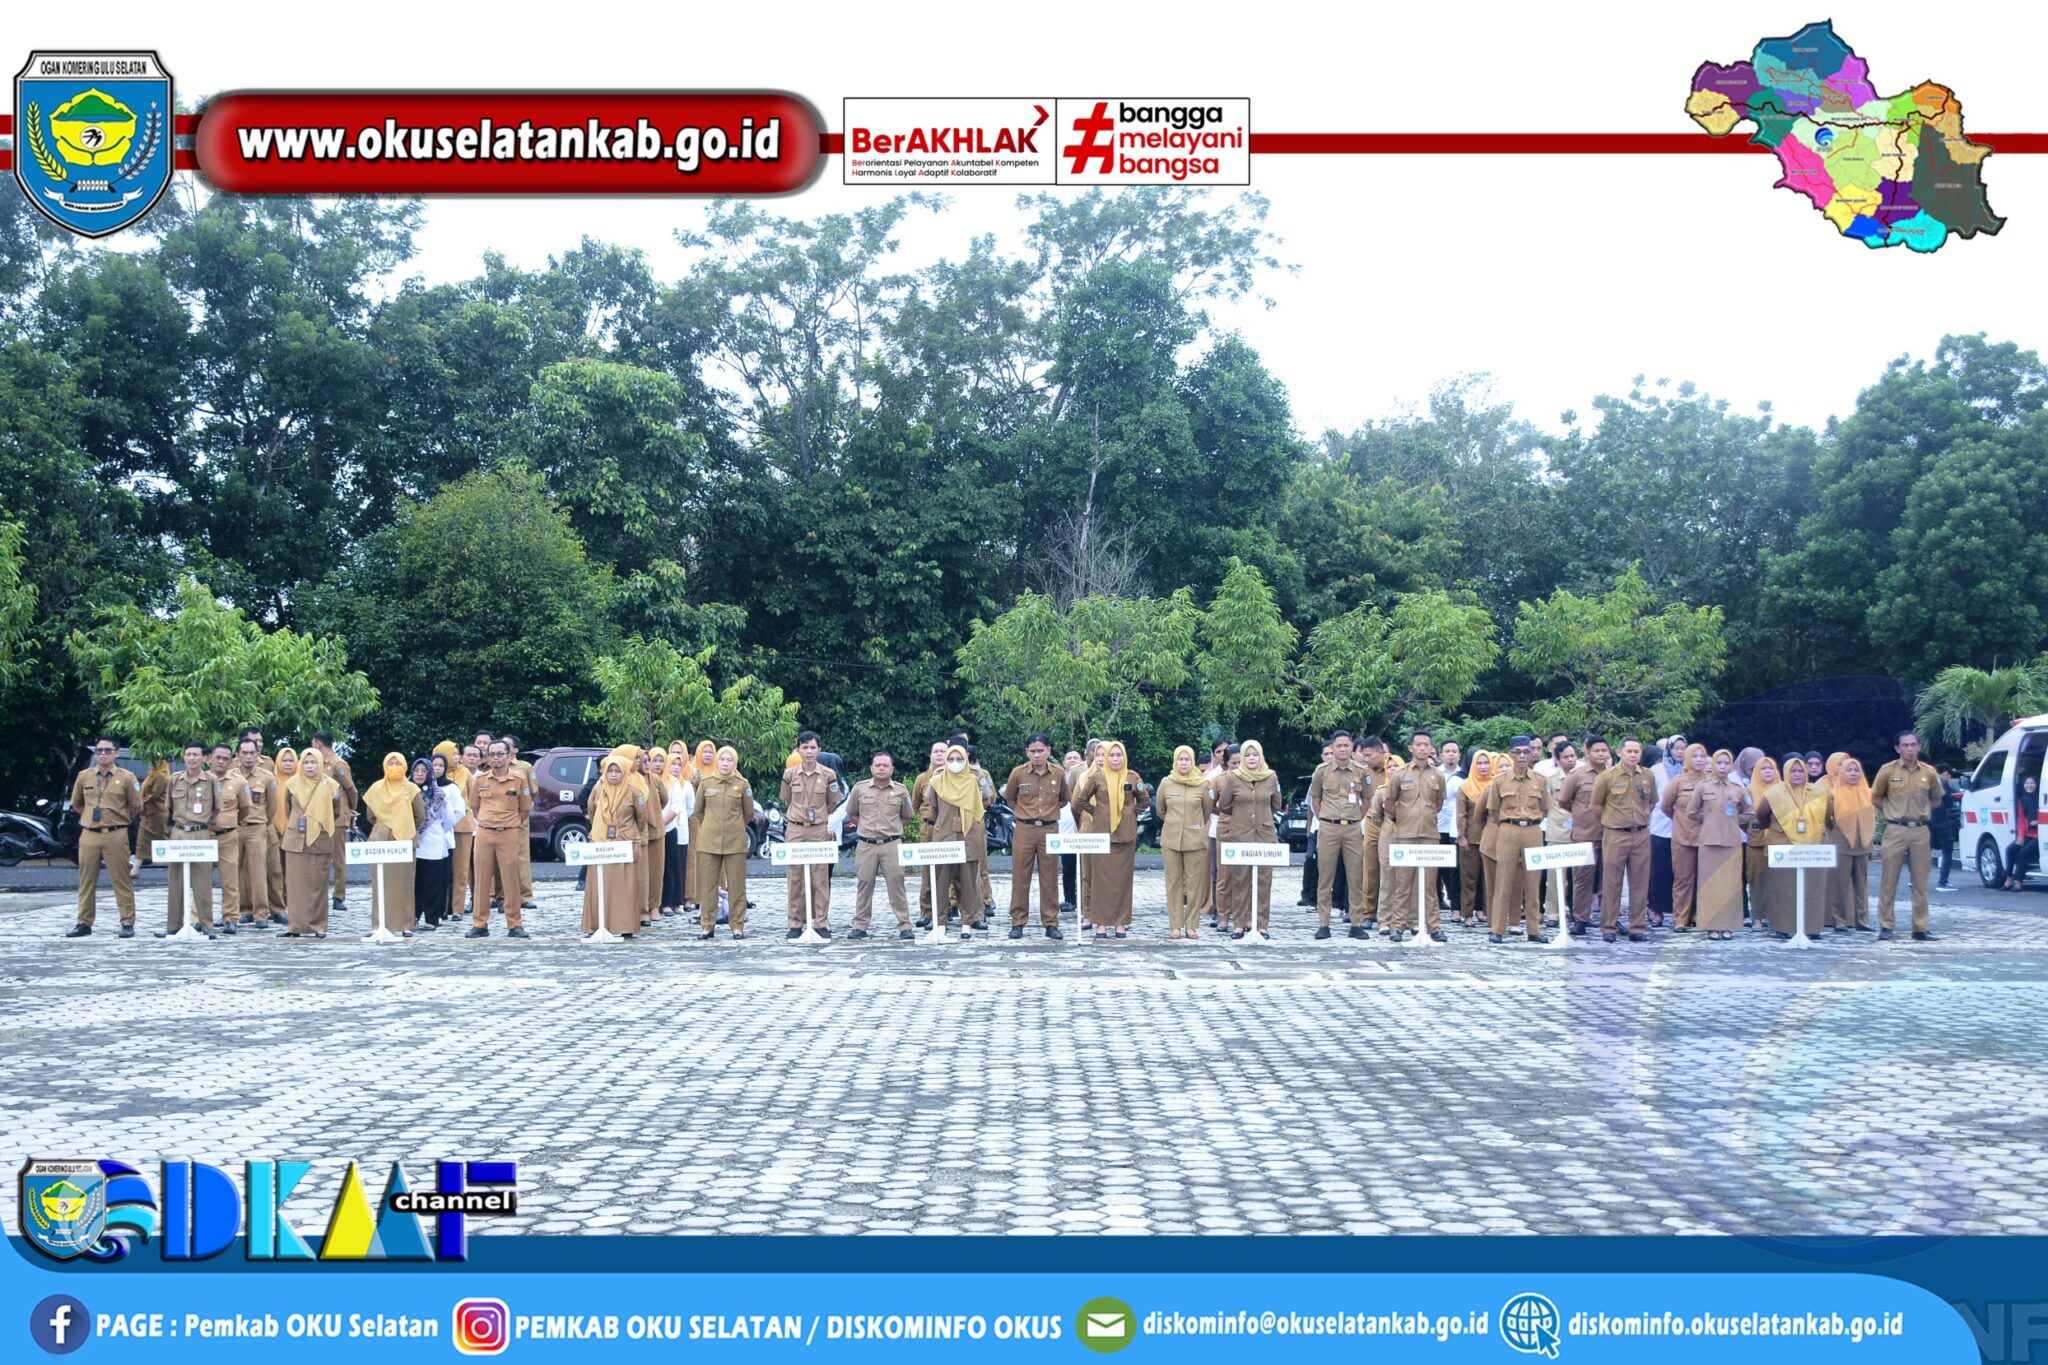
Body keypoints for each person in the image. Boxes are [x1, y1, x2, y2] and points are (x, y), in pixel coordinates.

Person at [64, 737, 144, 938]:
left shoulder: (127, 778)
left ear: (116, 753)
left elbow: (136, 806)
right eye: (99, 750)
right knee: (86, 880)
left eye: (108, 750)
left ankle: (127, 922)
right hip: (90, 833)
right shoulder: (85, 776)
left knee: (121, 879)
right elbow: (77, 805)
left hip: (115, 833)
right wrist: (90, 818)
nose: (103, 754)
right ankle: (84, 922)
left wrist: (117, 817)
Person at [1871, 730, 1945, 941]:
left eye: (1913, 744)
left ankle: (1920, 927)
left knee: (1920, 881)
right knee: (1889, 880)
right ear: (1897, 748)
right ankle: (1886, 926)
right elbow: (1876, 798)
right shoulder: (1887, 770)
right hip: (1895, 829)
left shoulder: (1929, 772)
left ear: (1919, 747)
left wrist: (1922, 811)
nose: (1910, 749)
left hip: (1920, 830)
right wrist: (1892, 813)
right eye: (1905, 745)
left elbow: (1936, 799)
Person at [1071, 739, 1149, 938]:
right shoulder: (1097, 777)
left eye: (1118, 755)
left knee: (1123, 881)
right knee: (1101, 882)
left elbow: (1144, 800)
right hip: (1102, 836)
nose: (1115, 759)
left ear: (1124, 756)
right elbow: (1080, 800)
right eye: (1111, 755)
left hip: (1125, 836)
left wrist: (1130, 813)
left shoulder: (1132, 777)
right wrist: (1097, 813)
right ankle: (1101, 923)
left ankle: (1121, 923)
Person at [1382, 732, 1449, 943]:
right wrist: (1403, 817)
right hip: (1405, 835)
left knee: (1430, 884)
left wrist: (1424, 816)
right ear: (1410, 748)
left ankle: (1434, 927)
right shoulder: (1400, 774)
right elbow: (1389, 802)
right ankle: (1397, 927)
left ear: (1431, 748)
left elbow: (1438, 804)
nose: (1422, 748)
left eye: (1426, 744)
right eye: (1418, 744)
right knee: (1403, 884)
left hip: (1429, 835)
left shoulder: (1438, 775)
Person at [158, 742, 230, 939]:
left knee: (202, 882)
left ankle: (207, 926)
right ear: (184, 756)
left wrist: (203, 823)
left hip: (200, 833)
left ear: (204, 758)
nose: (191, 758)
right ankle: (173, 926)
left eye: (196, 755)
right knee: (175, 882)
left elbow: (217, 809)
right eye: (188, 754)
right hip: (179, 832)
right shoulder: (175, 779)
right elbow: (168, 808)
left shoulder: (211, 780)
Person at [1215, 739, 1285, 938]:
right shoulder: (1234, 777)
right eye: (1247, 755)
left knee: (1263, 880)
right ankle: (1239, 924)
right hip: (1240, 835)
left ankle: (1261, 924)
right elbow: (1224, 805)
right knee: (1240, 880)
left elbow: (1276, 804)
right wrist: (1241, 816)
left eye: (1255, 755)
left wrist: (1262, 817)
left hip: (1264, 834)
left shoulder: (1270, 777)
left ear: (1261, 756)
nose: (1252, 758)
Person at [1484, 737, 1552, 943]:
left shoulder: (1541, 780)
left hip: (1533, 830)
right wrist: (1510, 823)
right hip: (1508, 829)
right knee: (1503, 880)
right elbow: (1493, 811)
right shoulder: (1500, 781)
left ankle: (1534, 929)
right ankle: (1498, 929)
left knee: (1533, 882)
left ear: (1532, 754)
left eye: (1526, 751)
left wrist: (1530, 821)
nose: (1522, 756)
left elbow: (1545, 809)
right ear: (1511, 754)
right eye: (1517, 752)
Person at [1592, 738, 1658, 942]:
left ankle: (1637, 927)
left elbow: (1652, 802)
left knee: (1640, 882)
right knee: (1612, 882)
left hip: (1640, 834)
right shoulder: (1606, 777)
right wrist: (1613, 820)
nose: (1633, 755)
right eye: (1629, 751)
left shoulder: (1647, 776)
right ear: (1619, 752)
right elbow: (1596, 806)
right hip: (1615, 834)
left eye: (1636, 751)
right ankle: (1609, 927)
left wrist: (1640, 818)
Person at [845, 752, 916, 940]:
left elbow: (907, 816)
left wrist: (892, 829)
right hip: (866, 844)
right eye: (878, 765)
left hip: (891, 844)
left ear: (892, 769)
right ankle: (860, 926)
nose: (881, 768)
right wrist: (865, 828)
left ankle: (905, 926)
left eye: (885, 765)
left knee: (897, 884)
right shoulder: (859, 788)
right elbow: (852, 813)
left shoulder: (901, 791)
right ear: (871, 768)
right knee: (864, 884)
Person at [466, 740, 533, 939]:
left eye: (500, 754)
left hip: (509, 832)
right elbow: (475, 807)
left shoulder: (519, 779)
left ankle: (515, 924)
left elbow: (525, 809)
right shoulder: (480, 779)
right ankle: (479, 924)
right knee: (481, 879)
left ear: (508, 755)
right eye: (492, 754)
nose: (496, 758)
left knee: (511, 879)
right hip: (485, 832)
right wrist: (488, 821)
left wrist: (510, 823)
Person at [922, 742, 990, 938]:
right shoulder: (937, 782)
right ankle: (940, 921)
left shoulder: (972, 781)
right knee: (941, 881)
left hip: (969, 836)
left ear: (966, 760)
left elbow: (982, 805)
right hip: (944, 836)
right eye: (951, 759)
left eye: (959, 759)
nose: (955, 762)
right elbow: (934, 808)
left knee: (969, 882)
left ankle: (967, 921)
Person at [1003, 733, 1067, 939]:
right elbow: (1010, 799)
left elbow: (1064, 800)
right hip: (1025, 829)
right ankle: (1018, 922)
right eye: (1033, 751)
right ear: (1027, 752)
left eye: (1041, 751)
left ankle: (1051, 923)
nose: (1037, 755)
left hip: (1049, 829)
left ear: (1049, 750)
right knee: (1020, 877)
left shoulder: (1059, 773)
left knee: (1050, 878)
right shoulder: (1018, 773)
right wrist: (1026, 813)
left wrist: (1047, 813)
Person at [1760, 754, 1831, 940]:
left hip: (1812, 845)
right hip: (1782, 845)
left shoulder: (1820, 793)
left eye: (1801, 771)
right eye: (1793, 771)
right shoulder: (1774, 794)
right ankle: (1782, 927)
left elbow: (1829, 815)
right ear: (1785, 772)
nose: (1798, 774)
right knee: (1782, 889)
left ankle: (1812, 928)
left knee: (1813, 888)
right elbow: (1761, 816)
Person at [1308, 731, 1371, 940]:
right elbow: (1315, 799)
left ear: (1352, 748)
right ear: (1332, 748)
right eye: (1339, 746)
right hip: (1329, 827)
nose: (1343, 749)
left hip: (1352, 828)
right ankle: (1323, 924)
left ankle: (1356, 923)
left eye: (1346, 745)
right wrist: (1325, 818)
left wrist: (1357, 818)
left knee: (1355, 877)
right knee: (1325, 877)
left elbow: (1367, 800)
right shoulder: (1321, 771)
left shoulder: (1361, 771)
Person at [583, 751, 650, 937]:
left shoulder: (634, 792)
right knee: (599, 886)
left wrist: (630, 832)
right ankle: (597, 926)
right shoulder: (598, 790)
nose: (613, 775)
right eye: (610, 771)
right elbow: (591, 810)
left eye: (617, 771)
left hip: (625, 844)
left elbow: (642, 818)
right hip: (601, 843)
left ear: (624, 772)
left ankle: (626, 926)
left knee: (625, 887)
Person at [1688, 750, 1752, 940]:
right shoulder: (1703, 787)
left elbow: (1751, 811)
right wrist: (1709, 819)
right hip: (1709, 842)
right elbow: (1691, 811)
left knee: (1730, 885)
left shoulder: (1739, 789)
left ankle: (1728, 925)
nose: (1723, 767)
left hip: (1732, 842)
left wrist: (1734, 820)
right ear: (1713, 764)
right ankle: (1711, 926)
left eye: (1726, 763)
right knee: (1710, 885)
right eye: (1719, 763)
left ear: (1731, 766)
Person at [781, 730, 839, 938]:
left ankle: (821, 922)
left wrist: (820, 817)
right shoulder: (789, 775)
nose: (809, 751)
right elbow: (787, 800)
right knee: (794, 877)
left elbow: (832, 802)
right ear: (798, 750)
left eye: (812, 747)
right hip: (796, 829)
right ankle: (795, 923)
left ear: (819, 750)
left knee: (820, 877)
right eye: (804, 747)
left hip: (818, 829)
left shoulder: (829, 774)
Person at [695, 746, 756, 939]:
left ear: (735, 763)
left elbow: (748, 813)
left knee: (737, 886)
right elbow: (698, 811)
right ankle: (707, 925)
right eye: (722, 759)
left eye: (729, 760)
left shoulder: (742, 784)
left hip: (735, 840)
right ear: (717, 761)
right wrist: (711, 825)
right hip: (709, 840)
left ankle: (737, 925)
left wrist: (734, 826)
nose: (725, 763)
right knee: (708, 886)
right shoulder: (706, 783)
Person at [282, 747, 343, 938]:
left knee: (317, 884)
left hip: (319, 838)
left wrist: (318, 822)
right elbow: (287, 808)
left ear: (320, 764)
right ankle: (295, 926)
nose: (309, 766)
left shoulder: (331, 786)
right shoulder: (292, 784)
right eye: (306, 762)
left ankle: (318, 925)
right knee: (295, 885)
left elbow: (336, 811)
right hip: (296, 839)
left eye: (313, 762)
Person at [362, 753, 425, 936]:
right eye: (391, 763)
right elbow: (370, 815)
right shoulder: (376, 788)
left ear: (405, 766)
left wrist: (404, 825)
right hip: (381, 840)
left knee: (405, 884)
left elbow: (420, 816)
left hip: (404, 840)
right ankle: (379, 925)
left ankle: (405, 925)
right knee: (380, 884)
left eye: (398, 763)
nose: (394, 766)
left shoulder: (411, 789)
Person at [1158, 745, 1215, 940]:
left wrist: (1194, 826)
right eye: (1180, 759)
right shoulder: (1166, 783)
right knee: (1173, 883)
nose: (1184, 763)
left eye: (1187, 759)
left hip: (1195, 839)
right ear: (1175, 761)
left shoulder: (1203, 784)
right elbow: (1161, 810)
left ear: (1193, 762)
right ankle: (1175, 925)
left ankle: (1192, 925)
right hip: (1171, 839)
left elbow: (1207, 811)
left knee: (1194, 883)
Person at [1559, 739, 1609, 934]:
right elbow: (1563, 801)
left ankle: (1610, 919)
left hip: (1610, 833)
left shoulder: (1613, 774)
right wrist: (1582, 814)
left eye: (1604, 750)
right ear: (1587, 753)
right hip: (1585, 834)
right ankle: (1580, 919)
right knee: (1582, 879)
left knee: (1610, 880)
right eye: (1597, 750)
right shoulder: (1577, 775)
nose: (1601, 754)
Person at [1659, 744, 1711, 931]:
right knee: (1683, 879)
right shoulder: (1677, 782)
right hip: (1684, 837)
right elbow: (1666, 807)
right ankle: (1680, 918)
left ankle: (1701, 915)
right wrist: (1681, 820)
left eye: (1702, 756)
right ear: (1688, 759)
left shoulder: (1712, 781)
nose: (1699, 759)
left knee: (1706, 879)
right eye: (1695, 756)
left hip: (1707, 838)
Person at [1823, 752, 1876, 929]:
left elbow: (1873, 818)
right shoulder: (1833, 794)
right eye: (1849, 770)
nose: (1853, 773)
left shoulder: (1869, 793)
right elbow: (1827, 819)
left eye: (1856, 770)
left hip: (1863, 844)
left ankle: (1862, 919)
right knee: (1839, 883)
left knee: (1862, 884)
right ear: (1842, 773)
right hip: (1841, 844)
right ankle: (1838, 919)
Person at [414, 754, 465, 930]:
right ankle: (413, 915)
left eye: (424, 771)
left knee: (433, 882)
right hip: (412, 843)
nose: (420, 774)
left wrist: (438, 831)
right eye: (416, 770)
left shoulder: (439, 794)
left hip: (433, 842)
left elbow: (450, 818)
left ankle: (432, 918)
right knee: (414, 882)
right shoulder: (408, 791)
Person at [229, 739, 278, 928]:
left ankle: (261, 914)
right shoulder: (231, 776)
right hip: (235, 827)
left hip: (257, 828)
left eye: (252, 753)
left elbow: (272, 807)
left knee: (258, 872)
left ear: (257, 755)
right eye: (245, 753)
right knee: (236, 871)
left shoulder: (267, 777)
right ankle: (242, 910)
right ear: (238, 755)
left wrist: (264, 823)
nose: (248, 757)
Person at [310, 731, 358, 915]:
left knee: (338, 858)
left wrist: (351, 811)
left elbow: (351, 789)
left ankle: (339, 896)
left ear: (318, 743)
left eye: (313, 743)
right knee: (320, 857)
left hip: (337, 817)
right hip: (321, 816)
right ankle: (318, 894)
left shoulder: (338, 764)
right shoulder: (318, 763)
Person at [1647, 733, 1686, 927]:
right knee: (1659, 871)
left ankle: (1683, 911)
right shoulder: (1656, 770)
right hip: (1661, 827)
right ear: (1669, 749)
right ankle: (1656, 909)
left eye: (1683, 748)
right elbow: (1649, 798)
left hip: (1685, 829)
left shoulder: (1689, 769)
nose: (1680, 752)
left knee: (1682, 872)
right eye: (1676, 748)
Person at [435, 740, 476, 922]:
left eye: (458, 753)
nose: (457, 757)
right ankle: (443, 907)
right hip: (439, 827)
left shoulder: (464, 772)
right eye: (453, 754)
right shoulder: (433, 774)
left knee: (461, 869)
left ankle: (458, 908)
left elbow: (474, 795)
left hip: (462, 825)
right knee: (443, 870)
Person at [1455, 752, 1496, 928]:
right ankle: (1467, 914)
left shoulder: (1496, 784)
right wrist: (1461, 836)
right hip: (1470, 839)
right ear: (1473, 765)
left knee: (1490, 880)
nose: (1483, 766)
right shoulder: (1465, 786)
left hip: (1493, 839)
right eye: (1479, 763)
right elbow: (1461, 814)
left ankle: (1489, 913)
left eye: (1486, 763)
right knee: (1469, 879)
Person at [499, 732, 538, 913]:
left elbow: (533, 791)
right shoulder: (495, 766)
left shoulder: (525, 767)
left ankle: (525, 896)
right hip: (498, 816)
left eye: (507, 745)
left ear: (515, 749)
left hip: (519, 816)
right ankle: (500, 896)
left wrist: (523, 809)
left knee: (521, 856)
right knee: (499, 857)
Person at [911, 739, 949, 929]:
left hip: (949, 829)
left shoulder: (955, 777)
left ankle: (950, 909)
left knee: (950, 871)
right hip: (930, 828)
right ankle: (926, 912)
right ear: (930, 755)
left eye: (943, 751)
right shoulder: (922, 779)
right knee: (928, 872)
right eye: (936, 751)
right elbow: (915, 804)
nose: (939, 754)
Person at [1741, 756, 1779, 929]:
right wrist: (1752, 830)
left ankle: (1776, 916)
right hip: (1757, 841)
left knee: (1778, 880)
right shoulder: (1748, 791)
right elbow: (1741, 817)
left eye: (1771, 768)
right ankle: (1757, 917)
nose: (1768, 771)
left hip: (1779, 841)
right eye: (1763, 769)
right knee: (1757, 880)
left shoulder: (1783, 789)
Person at [662, 746, 695, 914]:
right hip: (661, 830)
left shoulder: (686, 785)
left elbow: (690, 809)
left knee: (678, 866)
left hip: (679, 829)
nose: (675, 767)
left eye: (678, 764)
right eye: (672, 764)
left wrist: (678, 819)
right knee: (665, 865)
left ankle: (677, 901)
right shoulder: (660, 782)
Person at [638, 748, 668, 929]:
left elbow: (665, 799)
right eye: (643, 760)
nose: (647, 764)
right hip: (637, 833)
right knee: (640, 874)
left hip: (655, 830)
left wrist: (654, 813)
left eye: (648, 760)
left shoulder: (655, 779)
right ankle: (640, 909)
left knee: (656, 871)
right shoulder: (630, 779)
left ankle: (654, 906)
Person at [268, 745, 297, 914]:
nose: (287, 763)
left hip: (294, 830)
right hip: (275, 828)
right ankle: (277, 903)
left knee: (293, 869)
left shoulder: (300, 781)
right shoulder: (272, 781)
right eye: (284, 760)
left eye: (291, 760)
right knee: (276, 869)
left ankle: (292, 901)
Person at [1436, 740, 1464, 913]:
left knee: (1454, 867)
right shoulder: (1435, 773)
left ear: (1459, 755)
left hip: (1455, 828)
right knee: (1438, 867)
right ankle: (1438, 899)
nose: (1451, 754)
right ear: (1441, 755)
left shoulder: (1464, 775)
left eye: (1454, 751)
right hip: (1437, 826)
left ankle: (1455, 901)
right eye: (1447, 751)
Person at [1059, 748, 1084, 911]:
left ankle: (1085, 900)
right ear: (1064, 763)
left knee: (1085, 869)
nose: (1072, 760)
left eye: (1076, 757)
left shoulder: (1086, 778)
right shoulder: (1059, 779)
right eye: (1069, 758)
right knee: (1068, 868)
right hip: (1064, 832)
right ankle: (1070, 899)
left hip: (1082, 830)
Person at [1932, 764, 1963, 890]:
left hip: (1924, 821)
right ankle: (1942, 882)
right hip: (1941, 821)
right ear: (1944, 772)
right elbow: (1949, 803)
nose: (1949, 777)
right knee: (1947, 850)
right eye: (1949, 774)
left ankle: (1915, 880)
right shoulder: (1942, 782)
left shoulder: (1923, 780)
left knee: (1922, 851)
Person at [2006, 775, 2039, 890]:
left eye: (2032, 783)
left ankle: (2019, 882)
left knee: (2023, 852)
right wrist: (2020, 836)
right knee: (2010, 849)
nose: (2029, 785)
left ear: (2036, 785)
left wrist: (2038, 821)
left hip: (2040, 836)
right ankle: (2009, 878)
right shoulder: (2022, 800)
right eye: (2027, 783)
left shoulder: (2041, 798)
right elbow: (2021, 820)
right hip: (2027, 834)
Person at [137, 757, 169, 872]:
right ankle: (138, 865)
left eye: (154, 762)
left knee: (159, 837)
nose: (151, 764)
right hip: (148, 812)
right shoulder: (151, 775)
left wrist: (141, 801)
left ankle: (171, 860)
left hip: (157, 812)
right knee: (143, 839)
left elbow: (155, 794)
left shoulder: (161, 776)